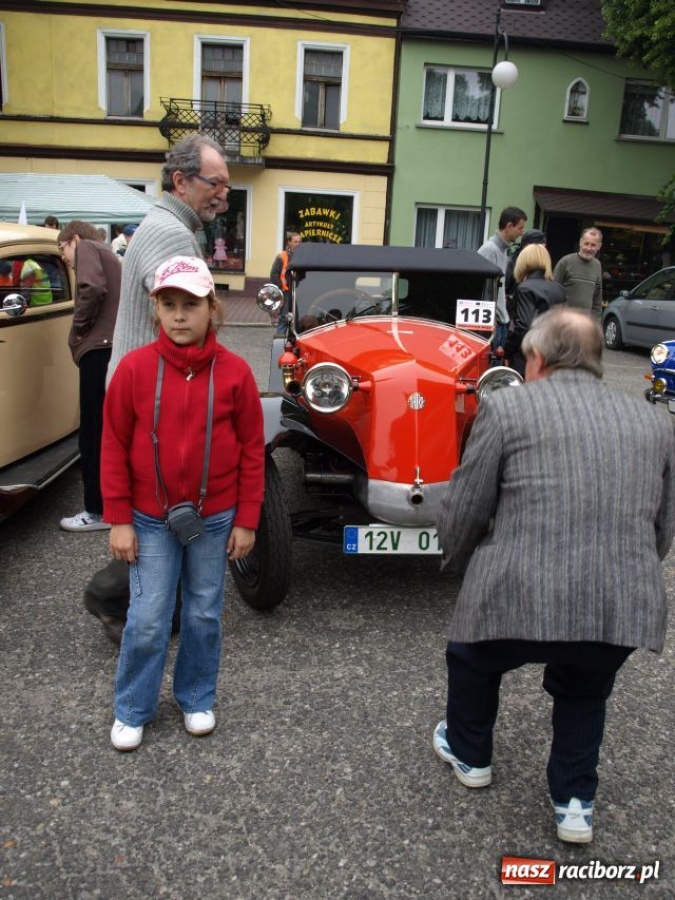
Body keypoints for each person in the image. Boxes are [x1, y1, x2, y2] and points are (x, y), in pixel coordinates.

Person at [432, 306, 675, 844]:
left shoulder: (507, 408)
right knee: (585, 687)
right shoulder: (655, 422)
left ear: (538, 357)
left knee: (471, 654)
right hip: (619, 602)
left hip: (517, 593)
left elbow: (468, 506)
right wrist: (622, 573)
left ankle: (471, 754)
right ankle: (574, 803)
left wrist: (454, 559)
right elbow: (662, 530)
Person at [101, 256, 265, 751]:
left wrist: (247, 519)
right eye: (168, 304)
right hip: (149, 519)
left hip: (214, 519)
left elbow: (252, 450)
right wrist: (118, 518)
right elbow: (112, 445)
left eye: (190, 305)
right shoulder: (133, 370)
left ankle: (196, 697)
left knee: (203, 613)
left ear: (212, 309)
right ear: (155, 310)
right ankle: (133, 707)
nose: (178, 315)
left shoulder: (236, 373)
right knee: (148, 615)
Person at [106, 133, 230, 383]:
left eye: (226, 186)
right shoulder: (172, 234)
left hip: (140, 383)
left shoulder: (161, 221)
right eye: (215, 183)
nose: (223, 194)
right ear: (181, 182)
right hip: (152, 388)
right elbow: (187, 331)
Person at [57, 220, 122, 532]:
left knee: (92, 432)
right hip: (111, 348)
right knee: (107, 430)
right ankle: (111, 504)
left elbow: (92, 288)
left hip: (98, 350)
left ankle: (96, 510)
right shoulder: (107, 252)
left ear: (74, 239)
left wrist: (80, 327)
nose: (64, 257)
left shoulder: (86, 248)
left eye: (62, 248)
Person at [503, 243, 566, 375]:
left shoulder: (525, 288)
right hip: (552, 352)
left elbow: (523, 325)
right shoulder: (559, 288)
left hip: (528, 355)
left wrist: (507, 351)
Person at [477, 207, 527, 351]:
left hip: (500, 321)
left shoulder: (502, 250)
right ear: (509, 226)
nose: (522, 232)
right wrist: (490, 320)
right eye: (520, 228)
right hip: (493, 324)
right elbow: (483, 288)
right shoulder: (490, 250)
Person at [553, 227, 603, 319]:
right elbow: (552, 292)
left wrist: (595, 321)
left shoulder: (597, 265)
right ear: (580, 242)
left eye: (593, 245)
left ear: (599, 246)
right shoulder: (565, 262)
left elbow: (597, 299)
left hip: (584, 322)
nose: (589, 248)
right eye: (586, 243)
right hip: (563, 320)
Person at [504, 227, 547, 315]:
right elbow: (503, 290)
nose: (541, 252)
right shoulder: (512, 262)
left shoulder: (541, 262)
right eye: (539, 248)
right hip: (513, 312)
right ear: (526, 246)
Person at [270, 231, 302, 334]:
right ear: (289, 242)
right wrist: (281, 288)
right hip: (285, 292)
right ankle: (280, 341)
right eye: (295, 242)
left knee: (298, 319)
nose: (298, 244)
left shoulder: (302, 256)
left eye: (299, 242)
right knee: (284, 319)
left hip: (298, 292)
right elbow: (274, 275)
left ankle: (295, 340)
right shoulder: (281, 256)